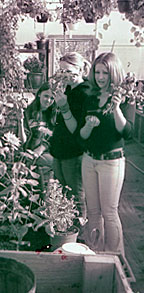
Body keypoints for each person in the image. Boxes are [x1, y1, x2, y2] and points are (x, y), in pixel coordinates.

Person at [78, 52, 133, 255]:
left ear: (114, 74)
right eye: (97, 72)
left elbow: (127, 132)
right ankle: (95, 255)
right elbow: (81, 136)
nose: (100, 77)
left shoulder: (124, 98)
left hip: (112, 162)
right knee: (93, 212)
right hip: (89, 160)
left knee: (109, 212)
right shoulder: (90, 97)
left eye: (105, 73)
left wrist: (116, 107)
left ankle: (114, 257)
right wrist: (88, 127)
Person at [49, 52, 91, 225]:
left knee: (75, 194)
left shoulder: (85, 93)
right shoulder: (68, 88)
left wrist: (64, 108)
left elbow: (78, 131)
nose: (64, 75)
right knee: (62, 192)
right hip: (60, 149)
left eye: (68, 71)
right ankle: (64, 230)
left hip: (73, 152)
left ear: (80, 70)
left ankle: (79, 235)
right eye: (61, 71)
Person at [24, 82, 57, 185]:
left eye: (52, 98)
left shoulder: (53, 115)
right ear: (39, 94)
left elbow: (53, 137)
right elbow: (23, 135)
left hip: (44, 151)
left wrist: (41, 149)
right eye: (46, 96)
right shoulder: (28, 112)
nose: (48, 100)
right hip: (29, 151)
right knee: (55, 164)